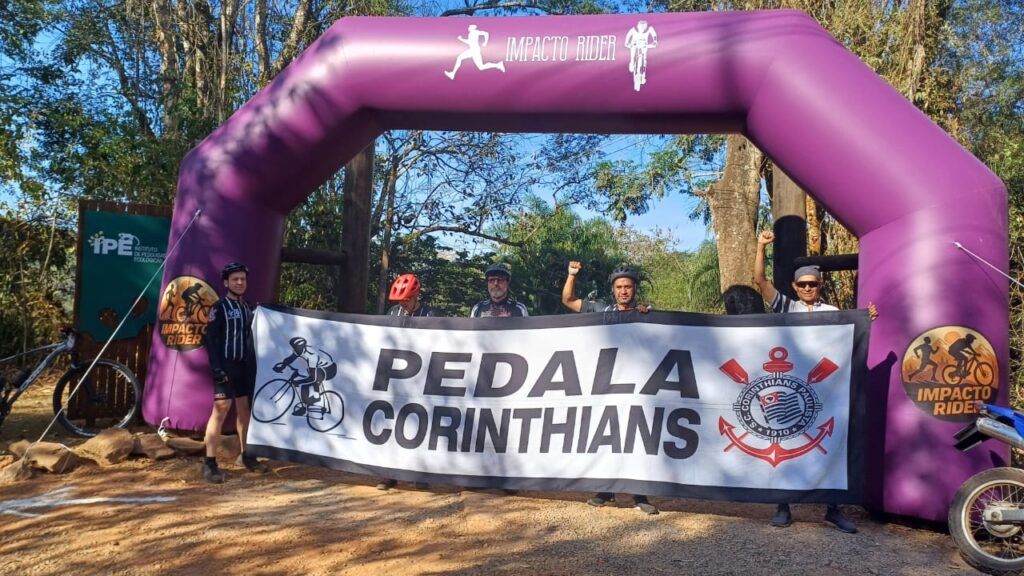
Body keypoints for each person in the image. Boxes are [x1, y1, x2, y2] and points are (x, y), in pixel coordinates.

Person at [755, 230, 871, 533]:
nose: (808, 288)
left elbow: (851, 337)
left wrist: (866, 318)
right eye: (802, 284)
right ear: (795, 287)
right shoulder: (787, 307)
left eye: (813, 284)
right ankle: (783, 506)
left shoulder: (833, 313)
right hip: (789, 389)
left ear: (820, 286)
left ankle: (833, 509)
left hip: (825, 391)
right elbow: (760, 282)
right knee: (783, 442)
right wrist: (761, 246)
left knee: (829, 446)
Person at [562, 260, 658, 516]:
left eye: (628, 286)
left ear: (634, 289)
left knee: (635, 439)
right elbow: (569, 300)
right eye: (619, 287)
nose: (624, 291)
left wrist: (650, 317)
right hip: (605, 385)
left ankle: (640, 494)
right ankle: (605, 491)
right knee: (606, 436)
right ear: (613, 290)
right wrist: (572, 275)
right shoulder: (601, 309)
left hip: (636, 386)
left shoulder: (646, 313)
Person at [202, 261, 268, 483]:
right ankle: (209, 463)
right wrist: (217, 367)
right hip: (225, 365)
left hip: (243, 366)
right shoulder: (218, 308)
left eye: (243, 279)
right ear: (226, 282)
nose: (240, 283)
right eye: (235, 279)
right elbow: (210, 339)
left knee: (244, 410)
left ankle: (246, 455)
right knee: (220, 411)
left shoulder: (247, 307)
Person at [377, 273, 434, 491]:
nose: (404, 303)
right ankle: (389, 474)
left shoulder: (430, 314)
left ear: (416, 295)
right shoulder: (393, 312)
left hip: (423, 376)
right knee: (391, 423)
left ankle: (420, 473)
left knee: (420, 423)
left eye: (407, 299)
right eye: (401, 300)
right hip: (396, 376)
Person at [272, 336, 337, 417]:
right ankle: (311, 400)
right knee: (308, 379)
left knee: (307, 385)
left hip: (329, 370)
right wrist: (282, 366)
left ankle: (306, 408)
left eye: (295, 348)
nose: (294, 350)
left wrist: (298, 382)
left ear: (300, 347)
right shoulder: (299, 350)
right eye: (293, 348)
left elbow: (314, 378)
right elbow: (291, 358)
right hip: (320, 367)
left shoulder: (311, 356)